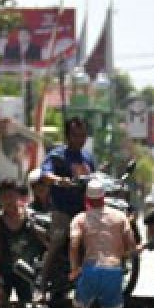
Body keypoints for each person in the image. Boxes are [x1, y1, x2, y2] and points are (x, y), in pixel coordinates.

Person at [69, 178, 137, 308]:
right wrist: (123, 255)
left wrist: (74, 269)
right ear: (104, 197)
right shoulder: (120, 216)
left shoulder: (80, 218)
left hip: (90, 269)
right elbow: (132, 245)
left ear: (86, 198)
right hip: (113, 269)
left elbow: (74, 244)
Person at [38, 117, 95, 290]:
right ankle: (41, 282)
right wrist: (58, 180)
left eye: (83, 135)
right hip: (63, 210)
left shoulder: (88, 157)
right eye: (76, 135)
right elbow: (45, 174)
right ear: (68, 136)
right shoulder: (57, 155)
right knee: (58, 239)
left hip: (86, 210)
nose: (80, 139)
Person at [0, 178, 43, 308]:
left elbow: (43, 244)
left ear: (18, 196)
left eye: (10, 195)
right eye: (3, 197)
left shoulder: (31, 217)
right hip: (5, 272)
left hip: (26, 272)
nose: (8, 200)